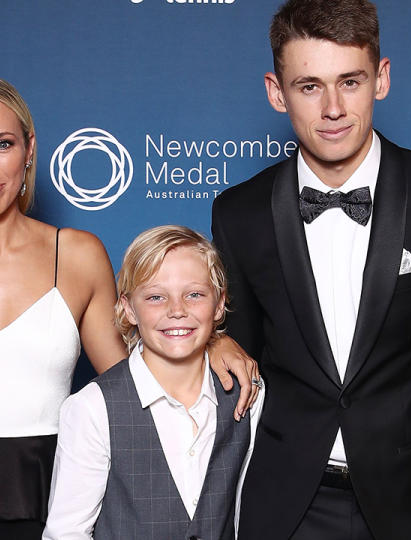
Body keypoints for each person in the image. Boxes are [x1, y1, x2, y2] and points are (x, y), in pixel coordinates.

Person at [0, 75, 260, 540]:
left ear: (29, 149)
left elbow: (133, 383)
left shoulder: (78, 255)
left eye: (3, 143)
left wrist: (214, 343)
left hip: (52, 494)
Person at [211, 1, 411, 539]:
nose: (332, 107)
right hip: (290, 503)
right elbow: (244, 352)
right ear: (276, 92)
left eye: (349, 81)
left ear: (382, 78)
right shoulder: (239, 213)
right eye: (309, 86)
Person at [42, 225, 265, 540]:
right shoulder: (93, 408)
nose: (177, 310)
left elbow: (247, 513)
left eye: (195, 295)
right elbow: (66, 533)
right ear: (130, 308)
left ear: (218, 304)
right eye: (156, 297)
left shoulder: (246, 393)